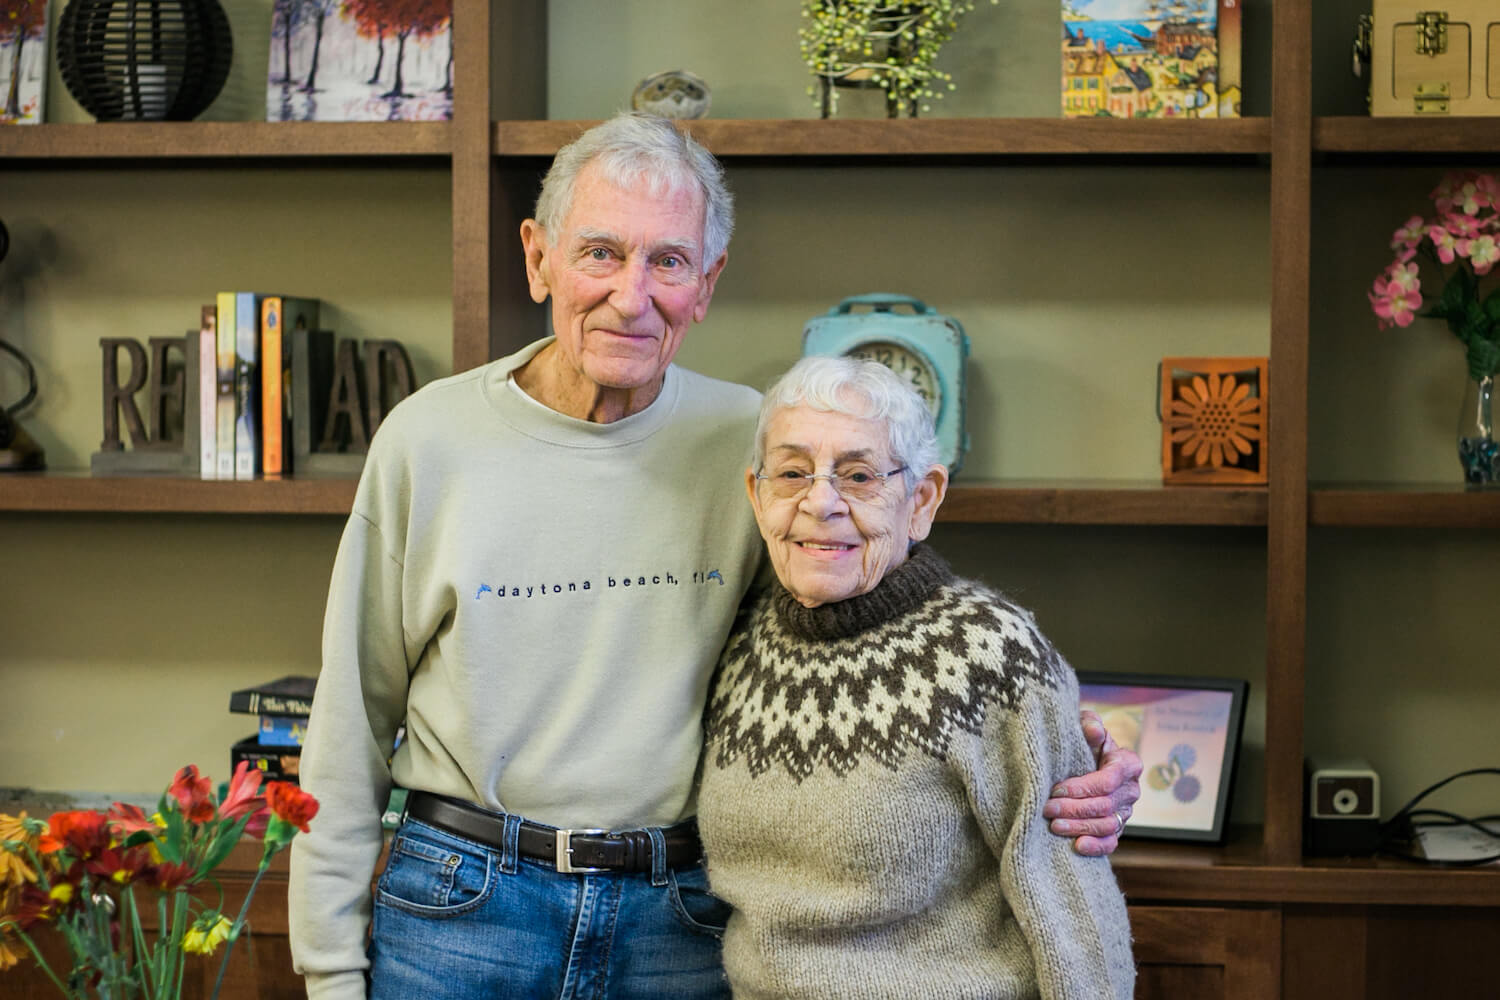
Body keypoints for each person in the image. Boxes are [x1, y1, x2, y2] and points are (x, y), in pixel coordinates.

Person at [288, 112, 1140, 1000]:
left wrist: (1072, 754)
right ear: (538, 256)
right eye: (600, 254)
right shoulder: (429, 439)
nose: (632, 295)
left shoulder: (757, 437)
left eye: (668, 261)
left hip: (679, 918)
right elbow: (351, 726)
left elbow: (885, 598)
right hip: (462, 904)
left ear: (707, 282)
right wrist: (330, 970)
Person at [697, 355, 1136, 999]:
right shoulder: (738, 645)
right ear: (756, 495)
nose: (820, 502)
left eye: (859, 475)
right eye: (792, 473)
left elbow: (1073, 906)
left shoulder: (990, 654)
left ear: (922, 498)